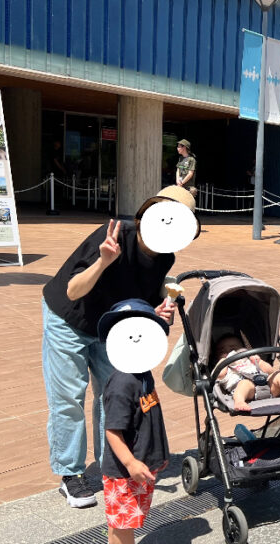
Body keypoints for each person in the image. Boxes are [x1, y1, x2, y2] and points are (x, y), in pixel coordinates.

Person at [41, 185, 199, 509]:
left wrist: (158, 311)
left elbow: (145, 300)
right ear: (146, 215)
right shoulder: (114, 234)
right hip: (69, 319)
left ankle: (110, 464)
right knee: (69, 398)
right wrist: (103, 261)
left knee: (111, 395)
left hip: (112, 327)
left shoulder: (165, 256)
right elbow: (73, 290)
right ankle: (70, 475)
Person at [96, 298, 172, 544]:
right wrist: (130, 463)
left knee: (122, 516)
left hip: (138, 464)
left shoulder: (141, 370)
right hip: (124, 471)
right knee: (125, 520)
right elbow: (112, 431)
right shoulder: (122, 384)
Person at [214, 334, 280, 411]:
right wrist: (223, 362)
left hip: (268, 386)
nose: (229, 353)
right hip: (248, 392)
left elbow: (270, 371)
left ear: (243, 350)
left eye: (233, 349)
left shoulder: (250, 360)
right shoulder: (226, 369)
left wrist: (260, 362)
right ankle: (239, 402)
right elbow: (219, 375)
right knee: (244, 383)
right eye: (222, 351)